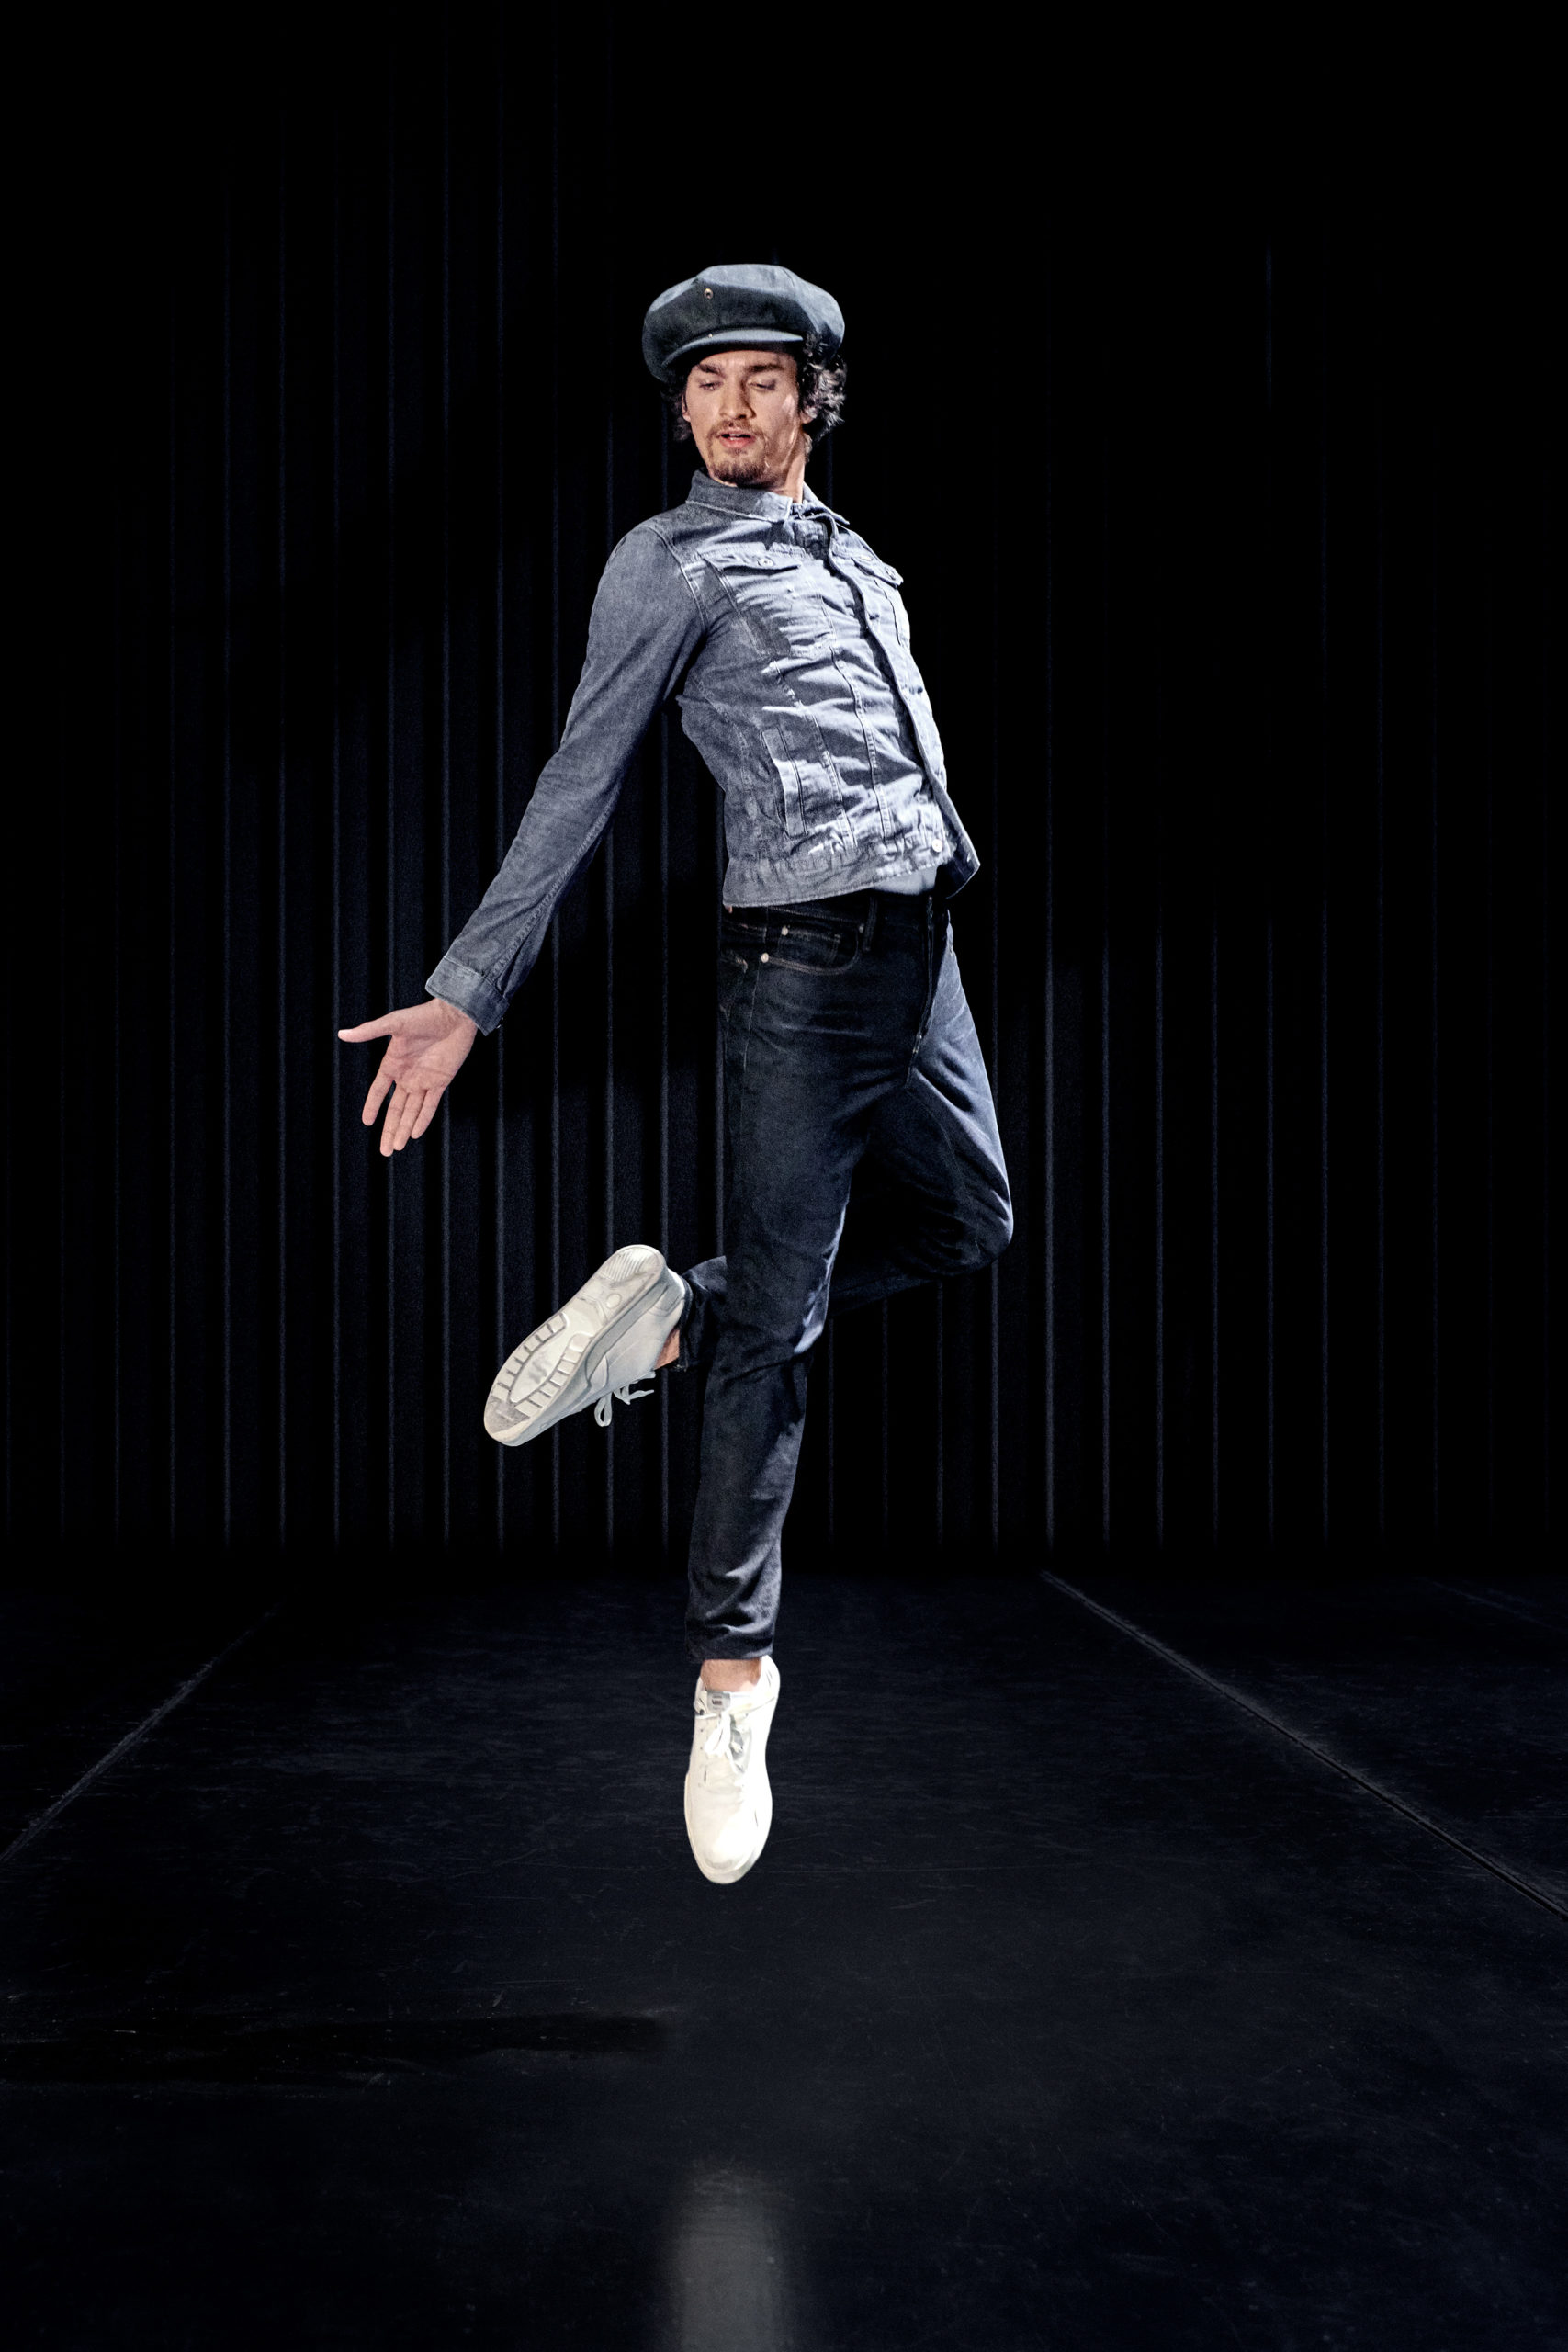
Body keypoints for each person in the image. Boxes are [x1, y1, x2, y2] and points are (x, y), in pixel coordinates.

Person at [339, 264, 1011, 1885]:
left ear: (811, 399)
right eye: (705, 385)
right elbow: (581, 775)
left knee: (970, 1219)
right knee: (780, 1337)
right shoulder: (670, 563)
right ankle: (730, 1682)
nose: (728, 408)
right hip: (800, 966)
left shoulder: (855, 556)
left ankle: (669, 1311)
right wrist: (469, 993)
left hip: (920, 950)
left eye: (759, 380)